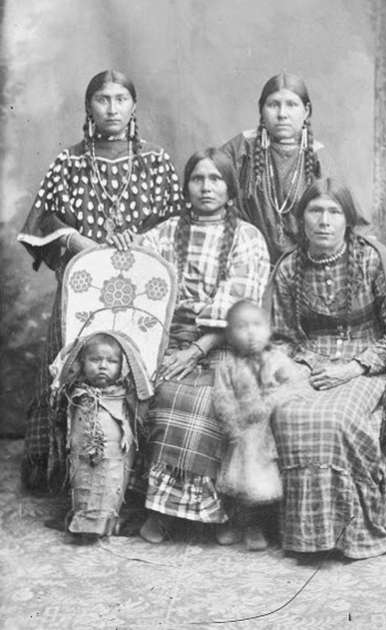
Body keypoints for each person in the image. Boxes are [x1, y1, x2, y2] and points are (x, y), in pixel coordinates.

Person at [17, 70, 182, 491]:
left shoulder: (154, 161)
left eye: (121, 98)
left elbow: (175, 221)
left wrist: (142, 239)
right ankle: (69, 474)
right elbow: (41, 220)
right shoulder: (69, 161)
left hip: (140, 293)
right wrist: (81, 242)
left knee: (139, 370)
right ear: (89, 107)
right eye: (103, 99)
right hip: (84, 290)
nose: (112, 107)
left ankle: (136, 478)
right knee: (76, 367)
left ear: (133, 106)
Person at [268, 178, 386, 559]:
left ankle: (354, 531)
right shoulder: (290, 268)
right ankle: (308, 537)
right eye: (315, 211)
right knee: (288, 413)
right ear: (301, 218)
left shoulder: (370, 259)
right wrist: (307, 366)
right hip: (307, 360)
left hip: (367, 362)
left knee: (338, 416)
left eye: (334, 211)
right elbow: (281, 337)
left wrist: (352, 368)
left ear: (348, 220)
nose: (324, 221)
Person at [138, 148, 270, 544]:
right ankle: (160, 511)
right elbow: (137, 273)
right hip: (169, 337)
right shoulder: (163, 233)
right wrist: (124, 241)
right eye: (198, 178)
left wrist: (197, 350)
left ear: (230, 189)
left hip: (225, 343)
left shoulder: (247, 237)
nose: (206, 187)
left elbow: (239, 305)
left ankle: (221, 513)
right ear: (186, 185)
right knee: (161, 388)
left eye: (216, 179)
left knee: (209, 397)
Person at [213, 300, 302, 551]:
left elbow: (294, 386)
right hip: (241, 431)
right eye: (242, 327)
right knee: (238, 481)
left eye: (257, 325)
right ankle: (236, 523)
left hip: (266, 432)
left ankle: (257, 526)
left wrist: (271, 401)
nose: (251, 333)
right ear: (229, 335)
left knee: (262, 483)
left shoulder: (276, 358)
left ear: (269, 328)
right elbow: (222, 396)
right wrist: (231, 425)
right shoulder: (227, 364)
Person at [222, 72, 337, 263]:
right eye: (273, 104)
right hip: (248, 260)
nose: (282, 114)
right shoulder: (242, 147)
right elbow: (209, 189)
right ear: (261, 110)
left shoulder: (318, 156)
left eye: (291, 105)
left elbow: (340, 217)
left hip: (304, 265)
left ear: (306, 111)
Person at [50, 332, 147, 543]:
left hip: (115, 454)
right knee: (82, 481)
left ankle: (107, 524)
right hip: (81, 451)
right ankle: (80, 520)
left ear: (122, 366)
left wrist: (128, 434)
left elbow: (132, 420)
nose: (103, 366)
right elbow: (58, 370)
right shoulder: (74, 392)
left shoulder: (122, 394)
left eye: (112, 361)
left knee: (109, 485)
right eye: (95, 360)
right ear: (82, 362)